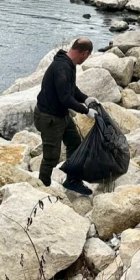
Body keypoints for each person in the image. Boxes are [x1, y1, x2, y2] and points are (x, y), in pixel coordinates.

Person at [34, 38, 98, 196]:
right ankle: (42, 191)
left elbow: (72, 89)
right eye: (88, 56)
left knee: (75, 143)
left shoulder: (69, 64)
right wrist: (85, 111)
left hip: (61, 114)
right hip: (49, 117)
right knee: (51, 157)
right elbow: (66, 98)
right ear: (84, 53)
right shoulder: (61, 66)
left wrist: (86, 99)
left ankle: (72, 180)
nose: (86, 59)